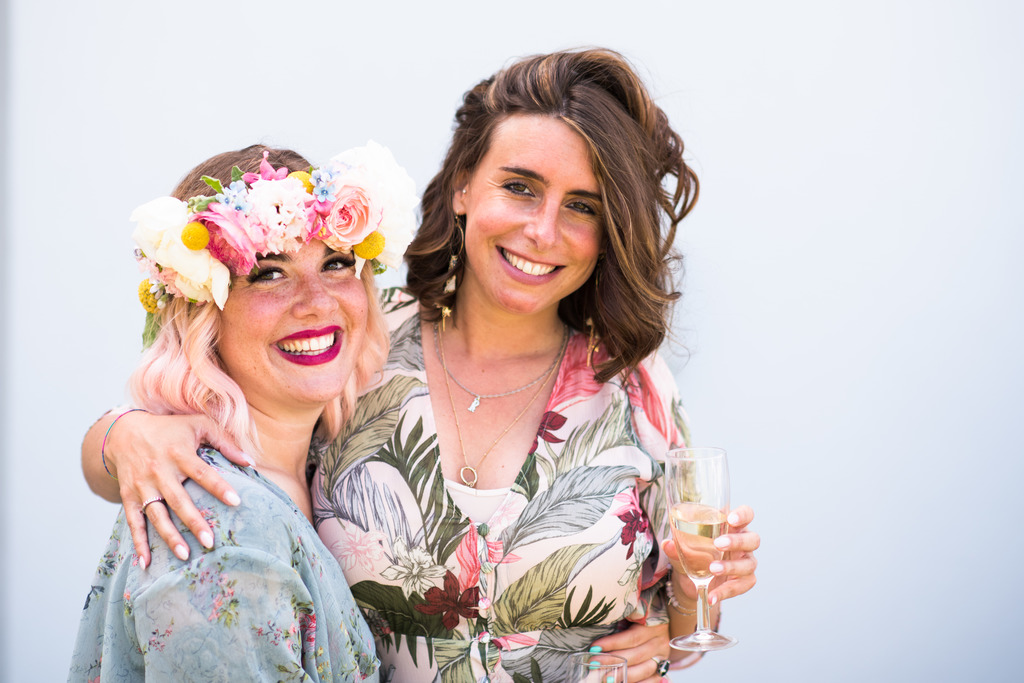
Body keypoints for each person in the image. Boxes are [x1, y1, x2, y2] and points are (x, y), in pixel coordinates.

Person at [81, 49, 760, 683]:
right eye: (520, 187)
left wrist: (679, 623)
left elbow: (681, 604)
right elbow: (220, 448)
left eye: (582, 206)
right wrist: (124, 433)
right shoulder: (359, 339)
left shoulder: (635, 386)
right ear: (464, 186)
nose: (543, 231)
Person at [69, 142, 418, 681]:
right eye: (268, 273)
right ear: (202, 314)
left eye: (336, 263)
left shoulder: (324, 459)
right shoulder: (224, 522)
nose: (319, 301)